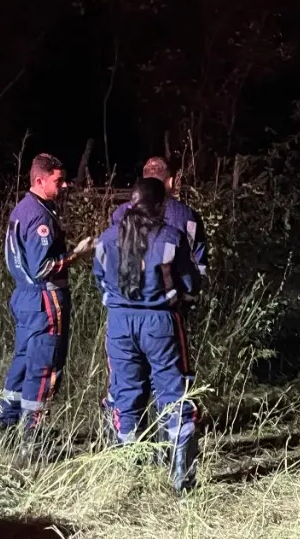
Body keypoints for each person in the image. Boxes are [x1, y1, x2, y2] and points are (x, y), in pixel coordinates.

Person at [94, 177, 202, 492]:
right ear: (161, 205)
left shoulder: (106, 238)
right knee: (174, 395)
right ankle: (182, 477)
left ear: (132, 201)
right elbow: (191, 283)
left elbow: (99, 280)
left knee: (125, 394)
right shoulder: (172, 237)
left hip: (119, 323)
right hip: (161, 323)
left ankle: (128, 476)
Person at [0, 153, 93, 438]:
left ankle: (5, 425)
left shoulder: (22, 209)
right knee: (45, 366)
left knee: (23, 361)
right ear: (40, 180)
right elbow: (43, 268)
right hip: (45, 300)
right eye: (58, 181)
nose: (64, 186)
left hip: (25, 298)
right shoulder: (39, 215)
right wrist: (78, 255)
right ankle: (32, 437)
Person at [110, 157, 208, 275]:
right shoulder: (187, 216)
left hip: (127, 287)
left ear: (142, 183)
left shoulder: (119, 213)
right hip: (173, 288)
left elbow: (112, 255)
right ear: (171, 182)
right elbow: (198, 261)